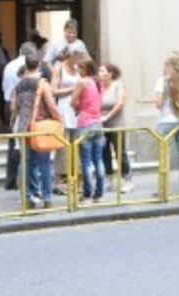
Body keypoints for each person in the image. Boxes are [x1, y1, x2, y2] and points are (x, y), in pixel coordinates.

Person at [11, 51, 61, 209]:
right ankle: (47, 198)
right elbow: (51, 105)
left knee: (26, 163)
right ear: (38, 65)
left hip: (23, 126)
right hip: (40, 126)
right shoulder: (42, 84)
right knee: (44, 163)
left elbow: (14, 108)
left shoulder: (19, 85)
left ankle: (28, 197)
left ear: (25, 65)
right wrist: (59, 120)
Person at [155, 51, 179, 195]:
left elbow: (158, 104)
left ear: (166, 65)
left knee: (164, 155)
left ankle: (163, 190)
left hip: (166, 121)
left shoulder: (162, 81)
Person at [1, 41, 36, 190]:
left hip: (9, 103)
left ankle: (11, 179)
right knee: (24, 144)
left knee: (13, 142)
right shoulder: (30, 67)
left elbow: (4, 87)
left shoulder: (9, 65)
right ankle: (24, 180)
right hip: (25, 106)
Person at [70, 57, 106, 203]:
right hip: (98, 123)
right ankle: (99, 193)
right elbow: (99, 102)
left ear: (85, 69)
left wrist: (79, 107)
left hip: (85, 123)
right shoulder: (98, 82)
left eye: (79, 68)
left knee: (86, 161)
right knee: (98, 159)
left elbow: (73, 101)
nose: (78, 70)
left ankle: (87, 194)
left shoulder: (82, 82)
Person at [99, 62, 133, 193]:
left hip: (116, 123)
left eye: (103, 71)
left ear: (110, 74)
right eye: (99, 71)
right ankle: (108, 179)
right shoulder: (99, 87)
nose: (100, 74)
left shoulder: (118, 85)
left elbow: (120, 104)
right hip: (102, 125)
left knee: (120, 151)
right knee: (104, 152)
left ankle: (127, 179)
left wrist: (107, 116)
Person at [50, 48, 80, 195]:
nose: (78, 59)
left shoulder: (78, 68)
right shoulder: (59, 68)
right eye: (76, 56)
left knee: (76, 145)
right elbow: (53, 91)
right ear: (70, 56)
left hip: (77, 110)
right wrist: (73, 89)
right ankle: (60, 180)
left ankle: (75, 179)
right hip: (64, 108)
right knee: (63, 146)